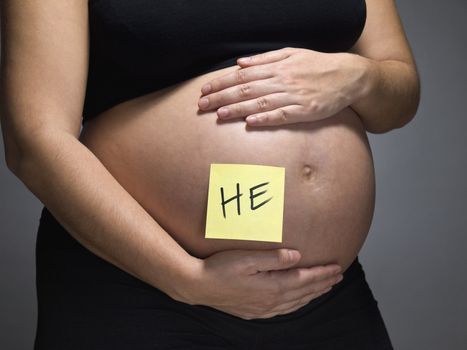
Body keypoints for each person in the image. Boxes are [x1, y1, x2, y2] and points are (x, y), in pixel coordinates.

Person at [0, 0, 420, 349]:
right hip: (140, 284)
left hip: (320, 291)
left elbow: (399, 95)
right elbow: (34, 143)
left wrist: (360, 79)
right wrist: (187, 280)